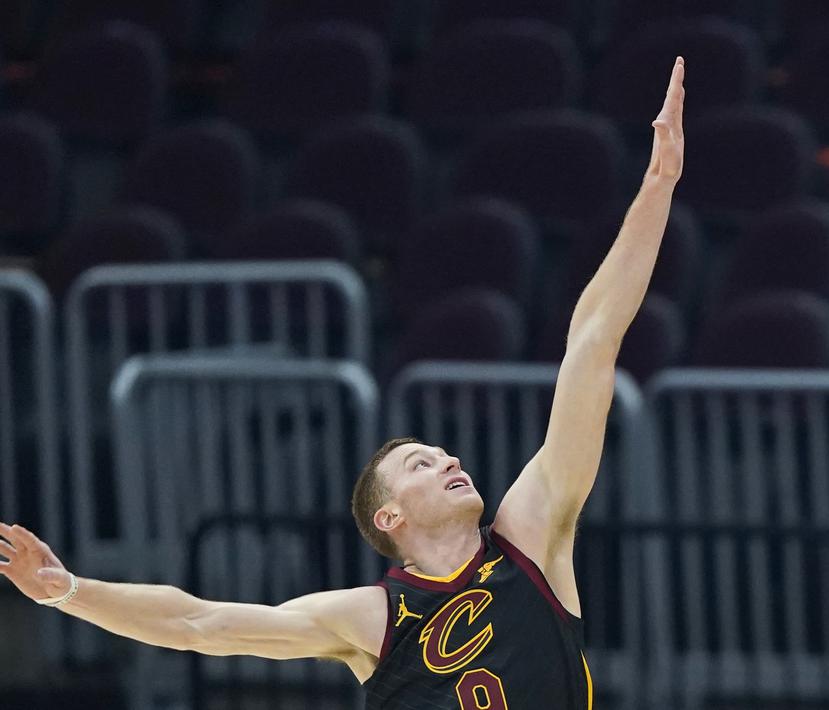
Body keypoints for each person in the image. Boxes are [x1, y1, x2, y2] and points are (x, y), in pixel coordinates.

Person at [0, 56, 687, 710]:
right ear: (389, 517)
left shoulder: (531, 537)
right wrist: (68, 592)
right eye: (422, 463)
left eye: (443, 454)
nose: (449, 459)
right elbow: (198, 622)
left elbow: (591, 345)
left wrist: (656, 187)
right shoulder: (367, 617)